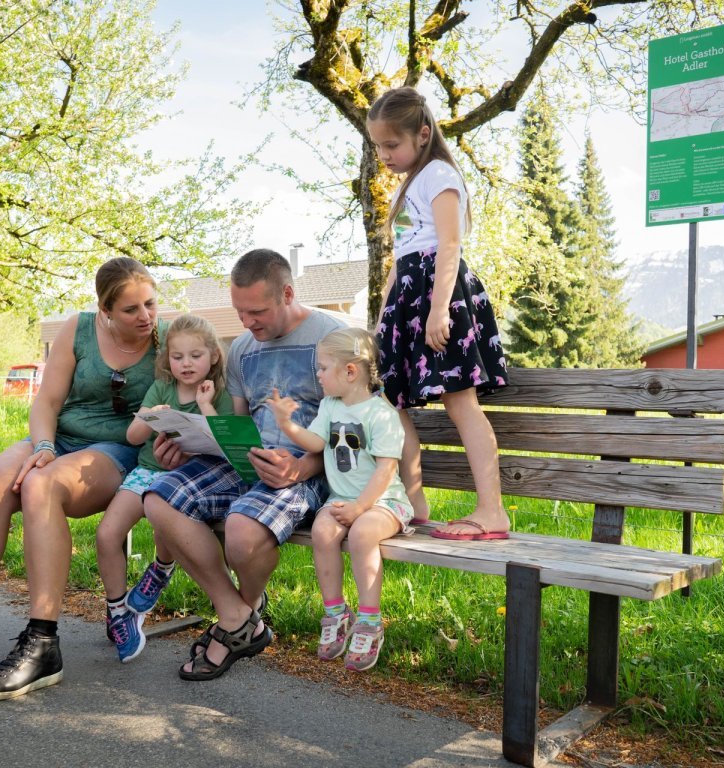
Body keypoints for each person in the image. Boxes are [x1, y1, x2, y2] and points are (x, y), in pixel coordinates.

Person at [0, 257, 164, 701]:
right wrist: (45, 447)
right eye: (131, 309)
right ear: (105, 310)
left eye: (150, 304)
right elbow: (47, 402)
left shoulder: (167, 340)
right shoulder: (79, 329)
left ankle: (43, 642)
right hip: (61, 438)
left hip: (121, 450)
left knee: (41, 485)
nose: (145, 316)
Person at [143, 248, 343, 681]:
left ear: (287, 293)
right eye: (239, 312)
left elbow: (358, 432)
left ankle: (239, 619)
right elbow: (237, 425)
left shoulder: (335, 339)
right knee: (159, 498)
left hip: (310, 467)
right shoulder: (243, 349)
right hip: (248, 462)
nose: (247, 323)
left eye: (256, 311)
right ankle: (235, 616)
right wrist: (187, 445)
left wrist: (303, 469)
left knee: (240, 530)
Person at [367, 86, 511, 541]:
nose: (384, 155)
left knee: (460, 402)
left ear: (422, 134)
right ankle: (414, 502)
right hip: (409, 296)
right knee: (391, 399)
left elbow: (449, 244)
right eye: (378, 147)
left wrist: (439, 311)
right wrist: (381, 319)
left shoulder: (439, 175)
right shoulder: (410, 185)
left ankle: (492, 511)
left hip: (438, 296)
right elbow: (402, 257)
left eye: (392, 145)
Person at [268, 328, 413, 671]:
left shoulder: (382, 415)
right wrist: (287, 425)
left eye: (322, 368)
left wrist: (361, 507)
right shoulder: (330, 406)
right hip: (342, 498)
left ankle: (370, 620)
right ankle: (335, 611)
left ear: (349, 371)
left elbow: (385, 471)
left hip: (384, 501)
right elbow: (315, 444)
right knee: (322, 532)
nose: (317, 375)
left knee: (363, 533)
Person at [96, 314, 234, 663]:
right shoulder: (161, 389)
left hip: (189, 480)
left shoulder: (220, 393)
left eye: (195, 355)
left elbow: (228, 445)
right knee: (107, 534)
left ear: (213, 356)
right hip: (147, 470)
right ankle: (119, 613)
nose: (186, 364)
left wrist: (204, 406)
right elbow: (132, 436)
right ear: (167, 359)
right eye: (177, 357)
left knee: (166, 512)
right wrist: (151, 415)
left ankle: (160, 567)